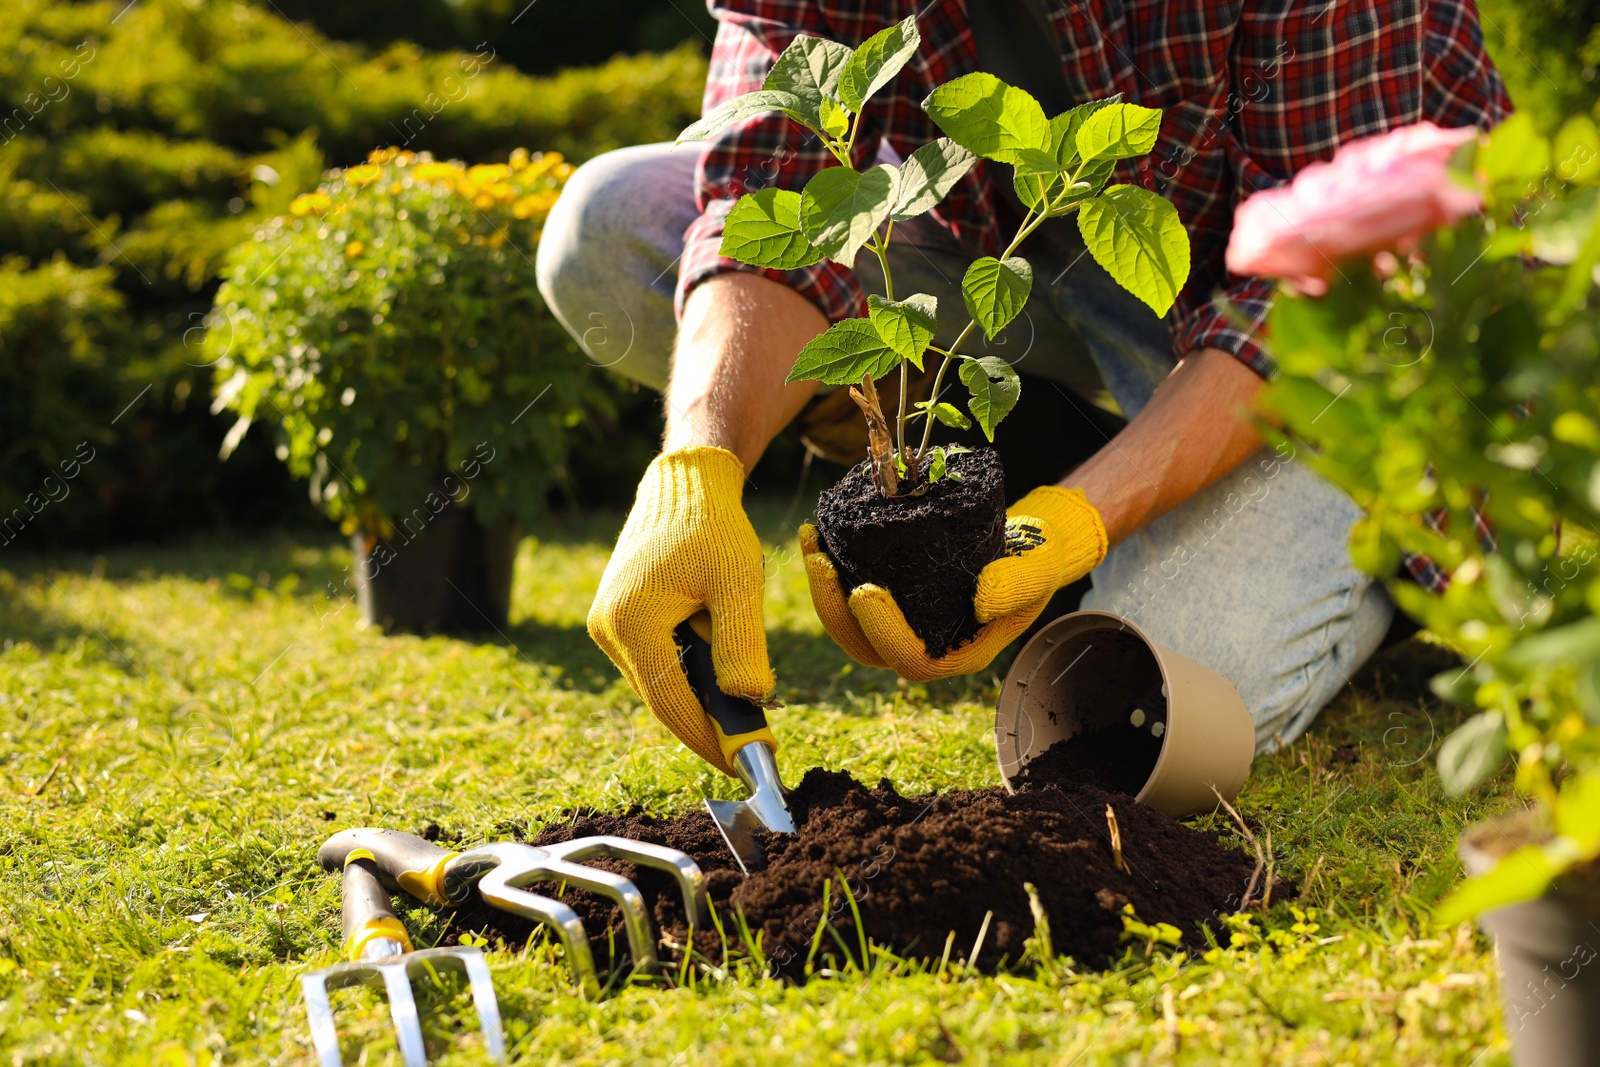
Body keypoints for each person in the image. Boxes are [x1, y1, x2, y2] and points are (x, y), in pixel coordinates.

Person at [535, 0, 1510, 775]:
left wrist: (1075, 524)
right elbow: (765, 190)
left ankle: (1360, 553)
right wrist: (696, 468)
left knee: (1132, 690)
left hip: (1350, 329)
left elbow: (1311, 296)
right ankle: (1051, 458)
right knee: (611, 230)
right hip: (1026, 260)